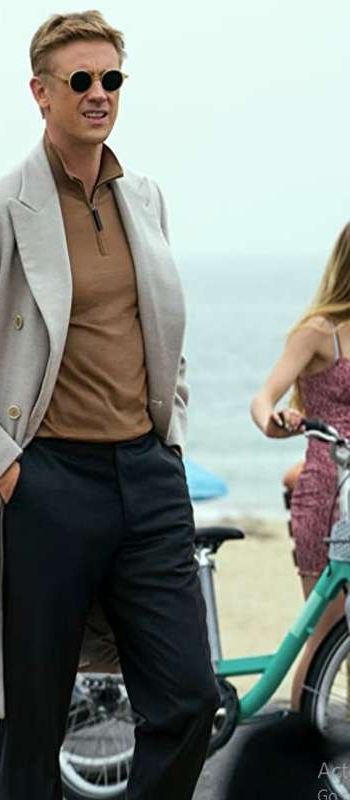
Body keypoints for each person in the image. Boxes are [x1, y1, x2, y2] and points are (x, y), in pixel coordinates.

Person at [0, 11, 219, 799]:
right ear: (40, 92)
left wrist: (169, 442)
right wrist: (15, 477)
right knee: (35, 726)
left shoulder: (145, 198)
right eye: (80, 79)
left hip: (147, 477)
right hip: (47, 483)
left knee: (189, 700)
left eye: (111, 78)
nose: (98, 93)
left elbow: (161, 337)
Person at [251, 221, 350, 710]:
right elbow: (264, 399)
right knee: (327, 632)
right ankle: (301, 745)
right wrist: (277, 421)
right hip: (329, 490)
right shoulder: (319, 332)